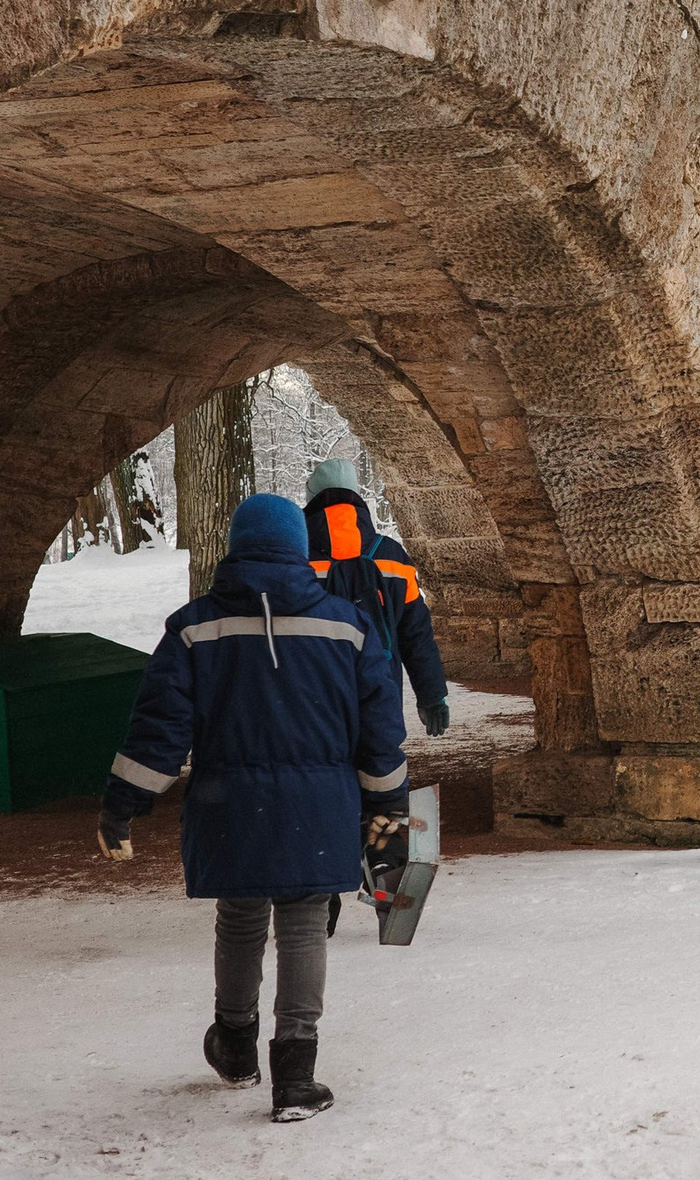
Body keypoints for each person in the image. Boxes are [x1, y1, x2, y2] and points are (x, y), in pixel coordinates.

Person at [96, 493, 407, 1123]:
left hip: (227, 802)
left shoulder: (193, 627)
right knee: (302, 923)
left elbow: (160, 729)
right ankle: (296, 1074)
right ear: (298, 550)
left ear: (234, 549)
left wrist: (122, 806)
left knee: (239, 917)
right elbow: (380, 726)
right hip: (318, 803)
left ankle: (234, 1042)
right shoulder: (348, 625)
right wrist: (387, 802)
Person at [302, 458, 449, 738]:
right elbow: (416, 634)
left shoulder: (293, 558)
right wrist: (432, 695)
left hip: (310, 702)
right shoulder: (392, 557)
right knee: (381, 770)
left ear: (311, 500)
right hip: (381, 698)